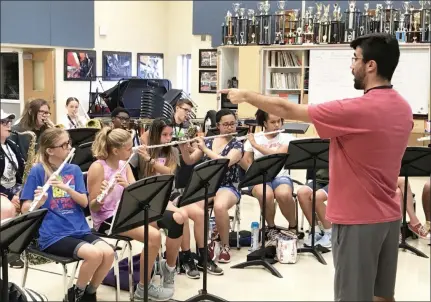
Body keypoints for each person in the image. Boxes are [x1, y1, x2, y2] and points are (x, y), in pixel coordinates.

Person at [221, 33, 412, 301]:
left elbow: (286, 109)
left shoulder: (357, 110)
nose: (351, 65)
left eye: (355, 59)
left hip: (358, 220)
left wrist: (245, 95)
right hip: (389, 217)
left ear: (371, 65)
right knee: (382, 296)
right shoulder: (403, 108)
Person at [20, 128, 115, 302]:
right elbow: (25, 209)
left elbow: (85, 203)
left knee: (108, 253)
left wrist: (67, 189)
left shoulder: (74, 170)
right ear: (50, 150)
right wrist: (38, 203)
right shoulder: (38, 171)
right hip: (53, 234)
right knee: (94, 255)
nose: (69, 147)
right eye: (64, 145)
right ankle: (75, 295)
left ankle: (89, 293)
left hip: (78, 228)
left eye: (69, 143)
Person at [86, 127, 179, 301]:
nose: (132, 151)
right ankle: (143, 288)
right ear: (115, 150)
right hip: (107, 219)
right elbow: (93, 207)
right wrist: (105, 193)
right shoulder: (97, 167)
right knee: (153, 237)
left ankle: (168, 268)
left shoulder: (124, 164)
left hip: (128, 212)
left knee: (175, 219)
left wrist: (128, 186)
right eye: (129, 148)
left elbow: (138, 195)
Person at [138, 118, 223, 277]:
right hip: (152, 196)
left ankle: (203, 257)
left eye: (170, 135)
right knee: (181, 217)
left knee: (199, 214)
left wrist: (152, 159)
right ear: (155, 135)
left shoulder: (173, 151)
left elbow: (169, 172)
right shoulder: (144, 151)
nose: (168, 138)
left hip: (171, 193)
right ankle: (186, 258)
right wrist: (146, 155)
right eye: (164, 135)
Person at [179, 109, 243, 263]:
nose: (229, 127)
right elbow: (189, 160)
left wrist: (205, 149)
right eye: (226, 124)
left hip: (229, 185)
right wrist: (183, 147)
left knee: (219, 206)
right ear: (218, 126)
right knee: (190, 208)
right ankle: (201, 247)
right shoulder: (208, 141)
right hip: (208, 185)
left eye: (232, 124)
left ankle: (225, 245)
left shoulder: (238, 144)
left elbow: (225, 162)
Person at [241, 110, 297, 245]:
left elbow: (277, 155)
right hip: (260, 177)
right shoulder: (255, 137)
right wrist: (252, 169)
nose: (277, 125)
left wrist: (256, 146)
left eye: (279, 121)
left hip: (280, 175)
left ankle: (293, 227)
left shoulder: (287, 138)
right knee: (265, 194)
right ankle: (271, 227)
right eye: (273, 122)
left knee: (283, 194)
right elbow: (246, 161)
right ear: (264, 123)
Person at [297, 169, 331, 249]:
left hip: (339, 179)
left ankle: (330, 233)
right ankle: (316, 231)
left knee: (316, 197)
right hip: (321, 178)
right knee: (302, 193)